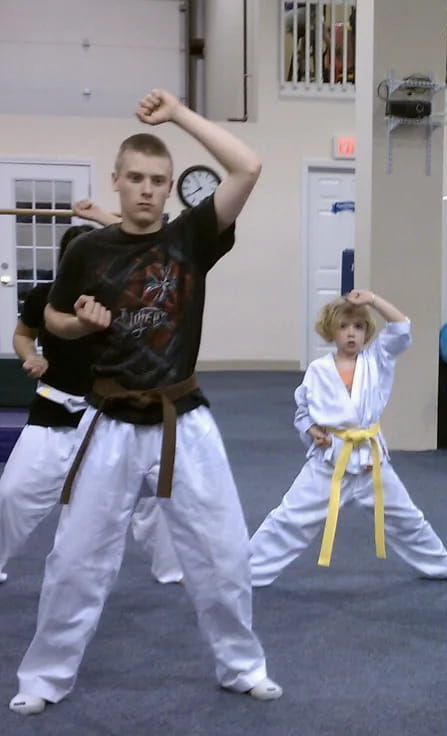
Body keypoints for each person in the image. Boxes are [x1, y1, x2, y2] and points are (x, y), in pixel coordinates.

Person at [9, 89, 280, 716]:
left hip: (182, 419)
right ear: (117, 180)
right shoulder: (87, 250)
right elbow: (52, 317)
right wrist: (78, 325)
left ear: (168, 187)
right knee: (76, 558)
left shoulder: (191, 238)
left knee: (221, 551)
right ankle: (44, 677)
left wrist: (180, 115)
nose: (148, 189)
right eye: (136, 178)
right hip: (106, 422)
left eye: (159, 179)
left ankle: (242, 666)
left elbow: (249, 167)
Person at [249, 289, 447, 587]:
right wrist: (313, 432)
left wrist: (372, 301)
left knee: (408, 519)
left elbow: (401, 327)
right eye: (343, 327)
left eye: (358, 327)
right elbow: (303, 413)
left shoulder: (378, 359)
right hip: (329, 463)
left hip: (371, 463)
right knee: (288, 518)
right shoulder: (318, 370)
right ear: (330, 331)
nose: (351, 334)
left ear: (367, 332)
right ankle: (244, 572)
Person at [0, 202, 182, 587]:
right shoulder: (44, 298)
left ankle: (169, 564)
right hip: (55, 410)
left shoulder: (127, 300)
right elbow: (22, 334)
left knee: (167, 486)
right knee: (13, 493)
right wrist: (30, 356)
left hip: (115, 415)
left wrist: (102, 216)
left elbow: (154, 249)